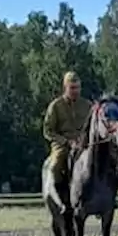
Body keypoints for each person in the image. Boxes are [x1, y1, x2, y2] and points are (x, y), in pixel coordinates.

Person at [42, 71, 92, 213]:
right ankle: (58, 197)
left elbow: (92, 127)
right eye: (72, 88)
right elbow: (48, 130)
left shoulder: (87, 105)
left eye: (78, 87)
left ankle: (108, 197)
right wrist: (66, 141)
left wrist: (84, 140)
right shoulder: (56, 106)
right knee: (56, 164)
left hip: (84, 144)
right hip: (62, 144)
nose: (76, 91)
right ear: (65, 87)